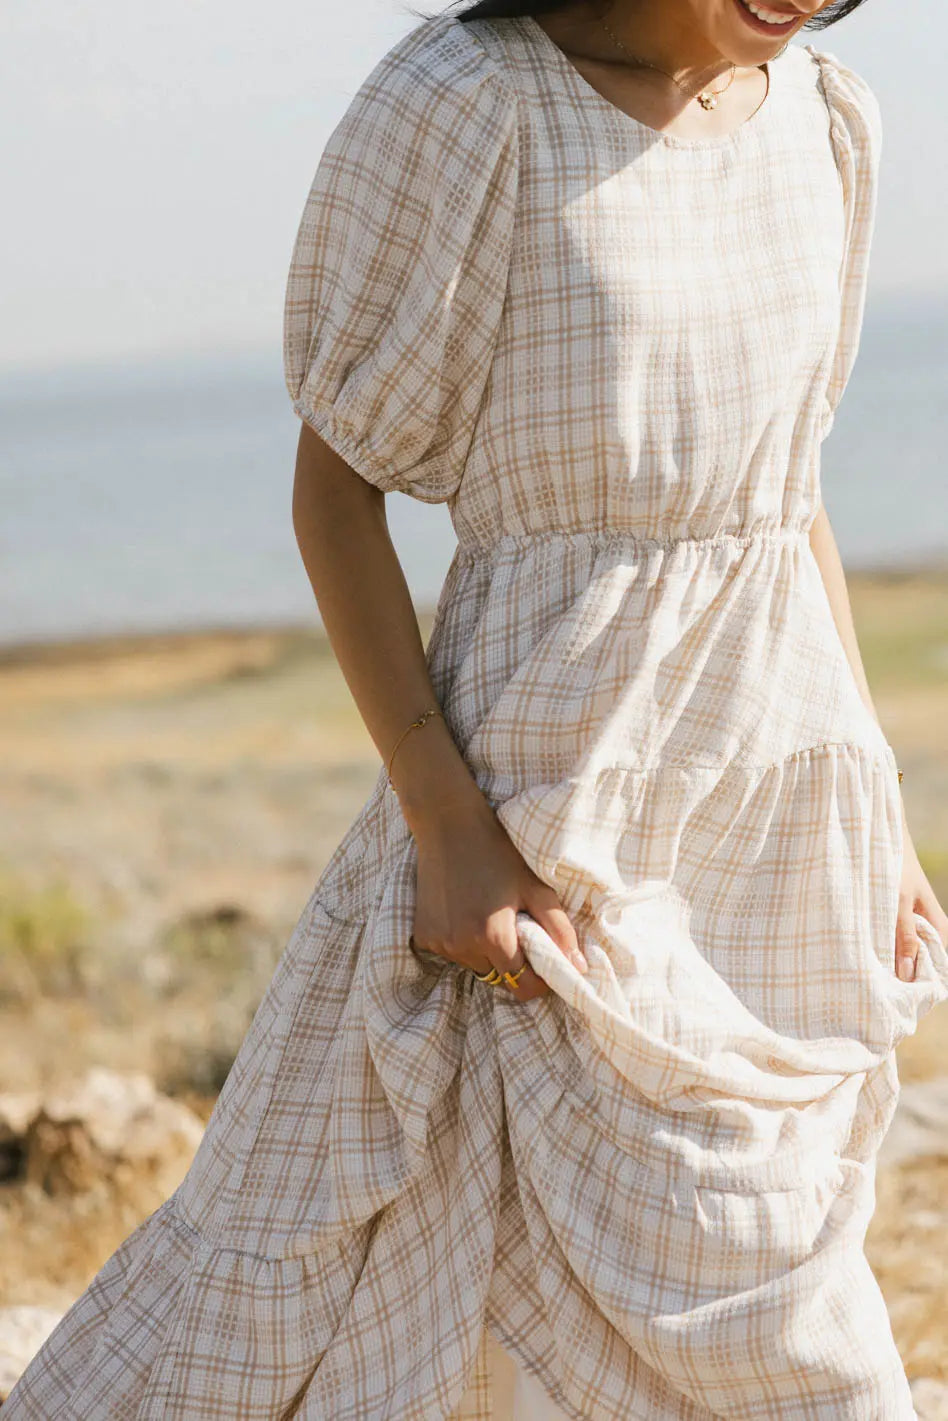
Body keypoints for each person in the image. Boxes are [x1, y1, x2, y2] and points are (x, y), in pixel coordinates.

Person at [6, 0, 948, 1416]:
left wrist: (873, 802)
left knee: (752, 1289)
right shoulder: (467, 101)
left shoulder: (829, 117)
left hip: (769, 822)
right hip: (549, 808)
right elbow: (337, 494)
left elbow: (785, 495)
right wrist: (446, 821)